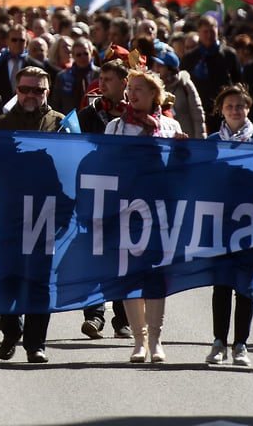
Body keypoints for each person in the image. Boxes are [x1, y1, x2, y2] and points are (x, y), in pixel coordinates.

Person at [105, 70, 187, 364]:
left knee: (156, 277)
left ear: (155, 94)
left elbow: (180, 173)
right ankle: (138, 341)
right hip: (126, 211)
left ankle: (156, 340)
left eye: (140, 88)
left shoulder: (170, 126)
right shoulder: (115, 127)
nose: (133, 93)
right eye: (130, 88)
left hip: (159, 211)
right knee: (130, 277)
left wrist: (181, 152)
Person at [0, 67, 64, 364]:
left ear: (47, 92)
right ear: (16, 90)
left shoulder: (60, 124)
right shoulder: (0, 124)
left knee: (39, 281)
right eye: (25, 89)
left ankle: (36, 344)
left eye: (38, 90)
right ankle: (11, 330)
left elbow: (72, 168)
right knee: (7, 278)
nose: (31, 95)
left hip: (45, 213)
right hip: (7, 212)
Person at [204, 84, 253, 368]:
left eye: (240, 105)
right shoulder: (211, 142)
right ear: (221, 110)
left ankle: (241, 344)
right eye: (229, 106)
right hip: (219, 225)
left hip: (251, 225)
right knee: (221, 285)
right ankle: (219, 342)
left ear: (248, 108)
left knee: (245, 286)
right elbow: (198, 179)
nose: (235, 110)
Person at [180, 16, 242, 132]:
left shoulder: (229, 55)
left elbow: (238, 82)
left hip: (223, 111)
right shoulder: (190, 58)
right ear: (199, 32)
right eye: (205, 32)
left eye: (212, 31)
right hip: (198, 110)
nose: (209, 35)